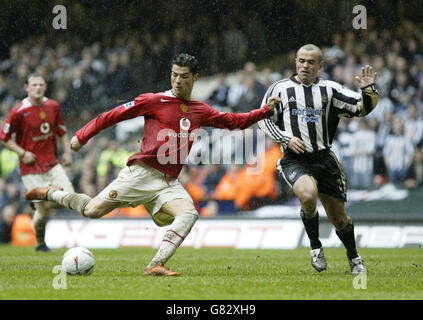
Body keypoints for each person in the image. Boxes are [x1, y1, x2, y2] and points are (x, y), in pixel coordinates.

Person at [26, 53, 280, 276]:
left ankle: (156, 264)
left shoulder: (199, 110)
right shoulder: (153, 100)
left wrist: (265, 111)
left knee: (189, 214)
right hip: (141, 174)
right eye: (174, 75)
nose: (177, 80)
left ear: (195, 78)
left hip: (168, 182)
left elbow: (234, 121)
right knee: (92, 211)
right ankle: (52, 194)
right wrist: (82, 135)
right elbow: (113, 115)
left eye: (183, 76)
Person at [258, 44, 379, 274]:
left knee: (340, 219)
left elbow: (362, 109)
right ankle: (315, 246)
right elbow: (263, 118)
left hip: (324, 159)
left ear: (320, 66)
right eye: (301, 60)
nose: (305, 66)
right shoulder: (280, 88)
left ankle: (353, 257)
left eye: (310, 62)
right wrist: (285, 138)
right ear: (295, 61)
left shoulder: (331, 89)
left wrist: (368, 91)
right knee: (307, 194)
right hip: (295, 158)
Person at [0, 74, 74, 252]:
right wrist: (22, 152)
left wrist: (67, 152)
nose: (38, 88)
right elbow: (4, 137)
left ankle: (42, 200)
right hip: (31, 168)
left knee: (70, 198)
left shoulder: (53, 106)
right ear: (26, 87)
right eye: (34, 85)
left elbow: (62, 132)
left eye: (41, 84)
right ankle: (41, 244)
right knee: (43, 209)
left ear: (45, 86)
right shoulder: (19, 111)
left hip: (52, 164)